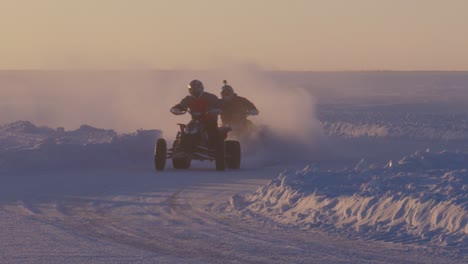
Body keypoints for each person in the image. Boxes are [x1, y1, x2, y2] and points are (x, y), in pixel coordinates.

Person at [170, 80, 221, 147]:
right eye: (193, 89)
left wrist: (215, 110)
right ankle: (181, 146)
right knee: (187, 130)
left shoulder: (210, 97)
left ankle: (212, 148)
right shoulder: (188, 99)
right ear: (190, 90)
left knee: (212, 131)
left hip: (209, 120)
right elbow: (181, 106)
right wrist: (176, 109)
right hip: (195, 120)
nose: (195, 91)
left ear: (201, 88)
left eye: (197, 89)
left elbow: (218, 104)